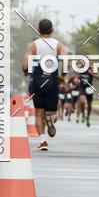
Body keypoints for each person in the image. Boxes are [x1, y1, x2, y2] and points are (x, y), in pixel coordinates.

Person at [22, 19, 66, 151]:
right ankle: (51, 121)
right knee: (52, 113)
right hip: (52, 78)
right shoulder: (58, 45)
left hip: (37, 80)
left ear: (38, 30)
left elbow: (25, 65)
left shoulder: (33, 45)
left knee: (38, 113)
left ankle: (43, 140)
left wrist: (26, 71)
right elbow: (66, 63)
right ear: (52, 31)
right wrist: (62, 77)